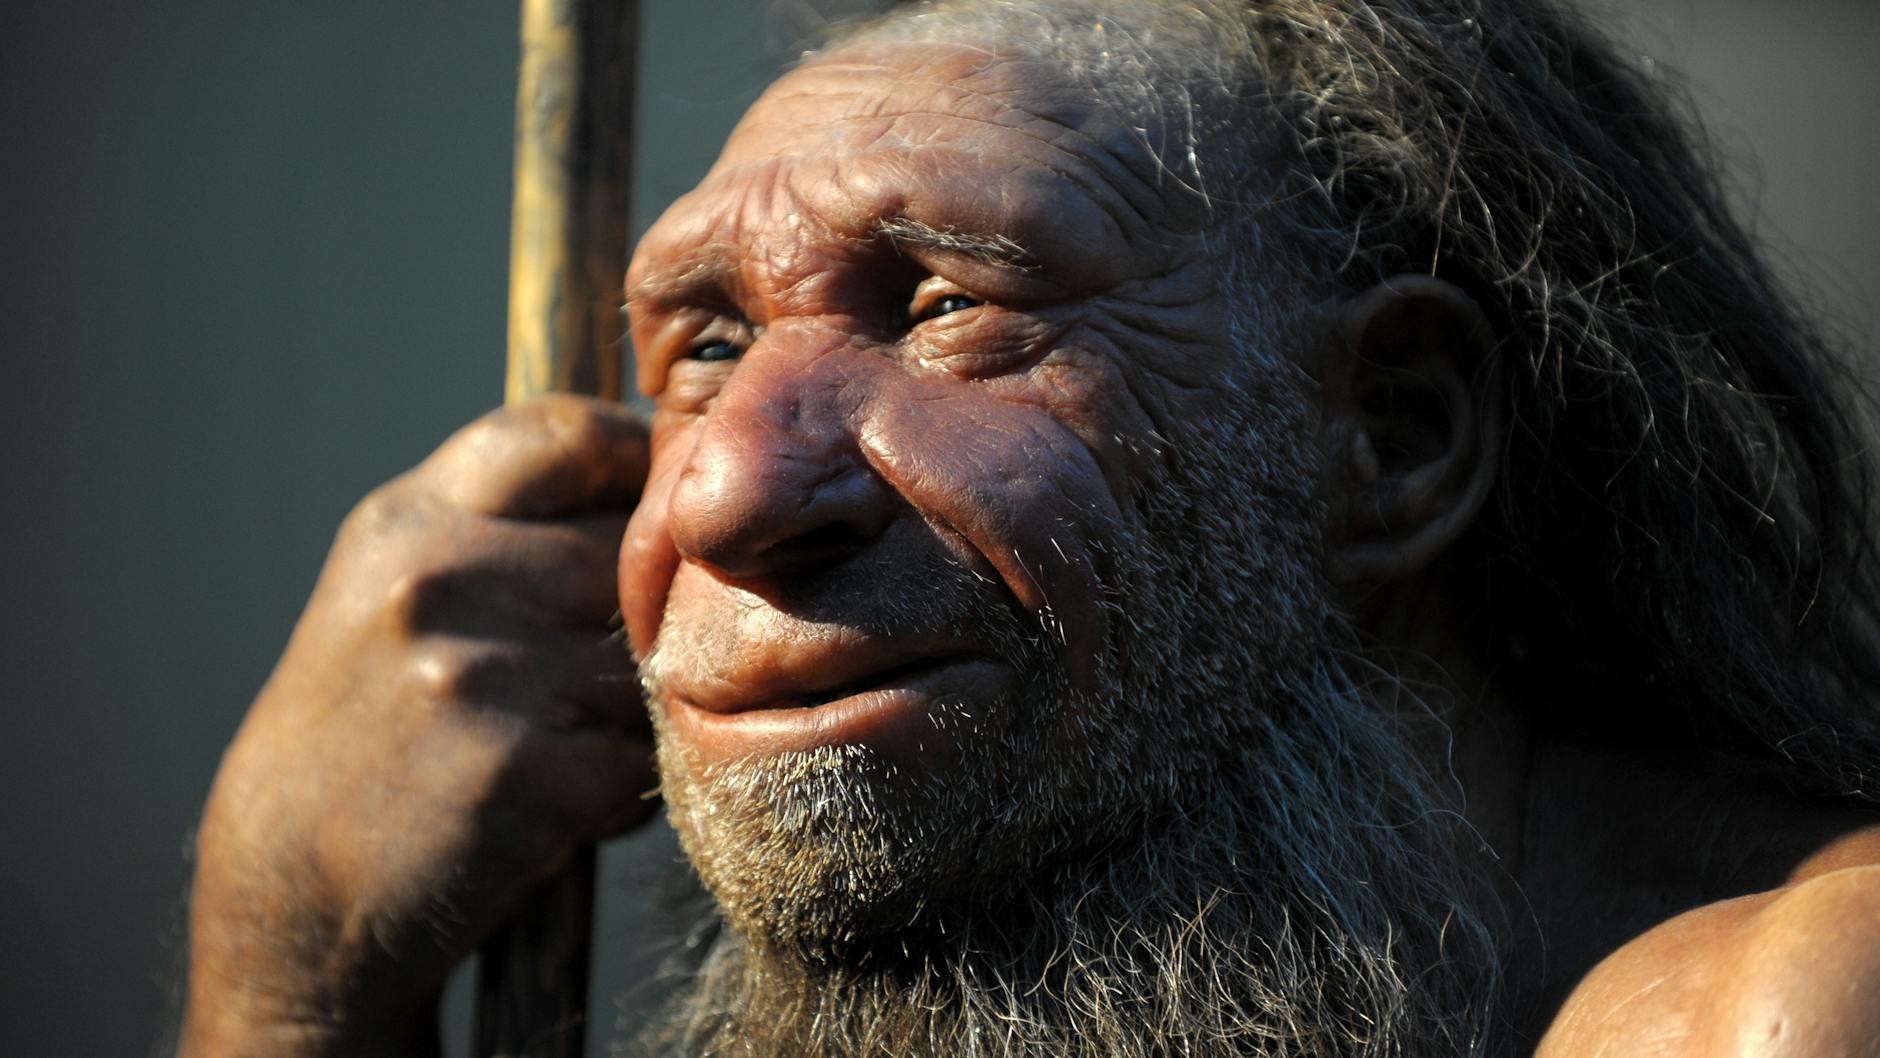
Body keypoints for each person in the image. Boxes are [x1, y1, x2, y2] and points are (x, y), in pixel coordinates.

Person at [177, 0, 1880, 1055]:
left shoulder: (1794, 1007)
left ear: (1393, 435)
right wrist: (291, 974)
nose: (723, 490)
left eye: (941, 304)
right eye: (704, 344)